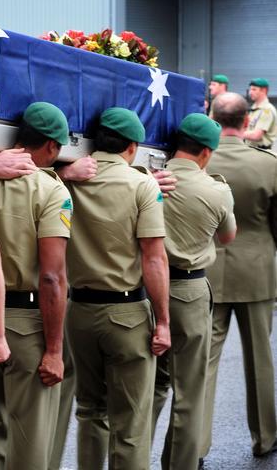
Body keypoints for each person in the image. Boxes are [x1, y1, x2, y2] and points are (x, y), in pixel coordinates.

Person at [0, 102, 72, 470]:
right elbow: (51, 277)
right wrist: (55, 350)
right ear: (54, 148)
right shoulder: (50, 190)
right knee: (29, 442)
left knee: (0, 429)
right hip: (25, 325)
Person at [65, 107, 171, 470]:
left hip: (78, 312)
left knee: (89, 411)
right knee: (130, 422)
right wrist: (163, 321)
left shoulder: (68, 177)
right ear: (132, 146)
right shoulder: (142, 185)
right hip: (126, 313)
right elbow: (154, 259)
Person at [151, 113, 236, 470]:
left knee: (148, 390)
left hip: (144, 290)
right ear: (206, 152)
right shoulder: (215, 189)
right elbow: (228, 236)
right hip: (188, 291)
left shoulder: (145, 179)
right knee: (189, 392)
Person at [201, 92, 277, 462]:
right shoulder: (268, 164)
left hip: (206, 271)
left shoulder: (200, 160)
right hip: (257, 272)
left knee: (202, 364)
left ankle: (195, 443)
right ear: (247, 122)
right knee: (260, 361)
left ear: (213, 119)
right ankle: (265, 437)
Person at [244, 78, 277, 149]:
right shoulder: (254, 108)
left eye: (254, 89)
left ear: (263, 90)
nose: (250, 92)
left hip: (261, 150)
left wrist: (235, 134)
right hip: (251, 149)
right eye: (250, 89)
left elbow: (256, 135)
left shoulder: (267, 110)